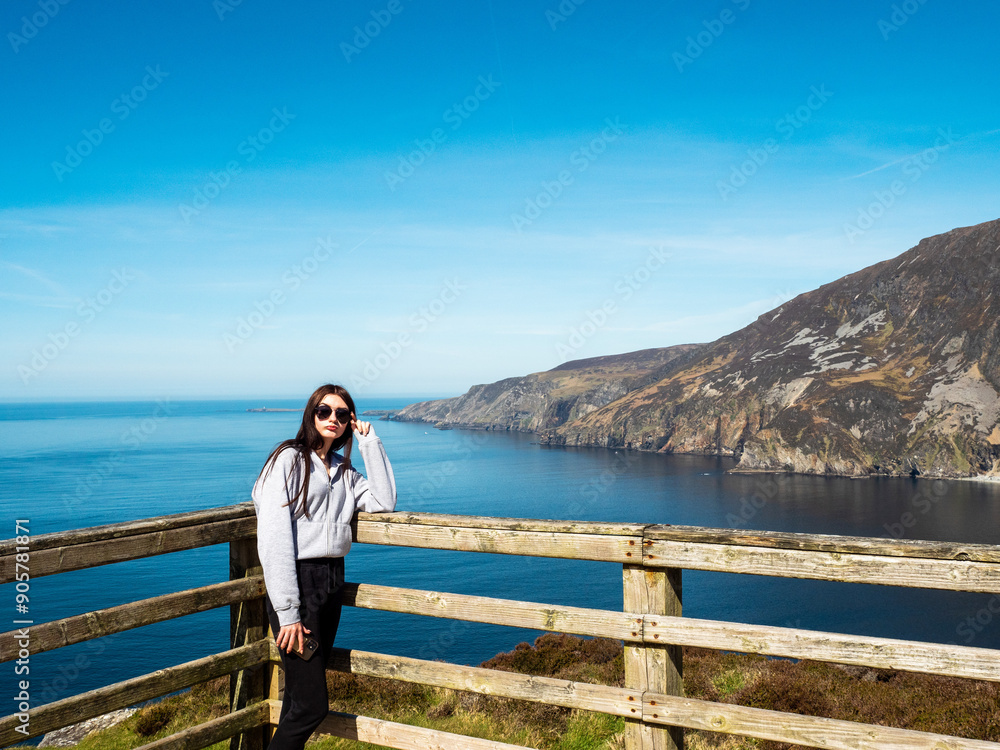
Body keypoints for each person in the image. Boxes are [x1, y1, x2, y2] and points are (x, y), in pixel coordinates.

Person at [251, 383, 396, 750]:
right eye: (325, 411)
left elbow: (384, 501)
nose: (334, 419)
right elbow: (274, 539)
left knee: (298, 701)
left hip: (331, 583)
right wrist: (288, 612)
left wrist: (369, 443)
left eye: (343, 415)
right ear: (311, 414)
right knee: (312, 707)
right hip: (298, 585)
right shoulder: (287, 460)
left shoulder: (344, 471)